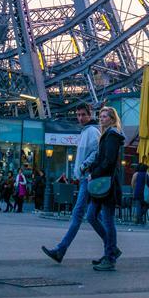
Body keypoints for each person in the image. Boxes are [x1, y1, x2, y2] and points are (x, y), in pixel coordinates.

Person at [42, 103, 109, 264]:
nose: (80, 118)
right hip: (85, 178)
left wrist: (83, 166)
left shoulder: (92, 131)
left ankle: (60, 250)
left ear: (90, 114)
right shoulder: (87, 131)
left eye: (83, 115)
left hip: (88, 178)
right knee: (93, 216)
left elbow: (97, 152)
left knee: (78, 214)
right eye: (78, 115)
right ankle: (111, 246)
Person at [86, 105, 125, 271]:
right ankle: (111, 249)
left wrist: (94, 173)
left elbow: (108, 161)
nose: (101, 119)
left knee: (107, 221)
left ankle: (110, 257)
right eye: (100, 116)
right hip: (103, 182)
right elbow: (104, 159)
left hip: (106, 183)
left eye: (105, 116)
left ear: (112, 119)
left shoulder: (112, 135)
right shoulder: (108, 135)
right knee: (92, 216)